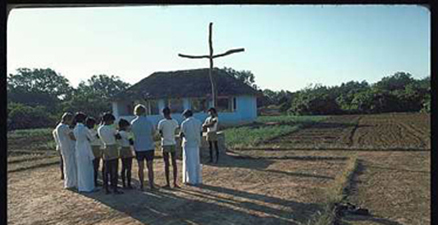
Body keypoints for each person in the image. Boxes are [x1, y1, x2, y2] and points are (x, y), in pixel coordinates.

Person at [130, 104, 156, 191]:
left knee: (140, 167)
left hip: (138, 147)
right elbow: (153, 133)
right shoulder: (149, 122)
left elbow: (132, 135)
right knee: (150, 167)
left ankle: (141, 185)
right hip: (149, 146)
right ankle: (151, 185)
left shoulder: (133, 123)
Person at [98, 113, 123, 194]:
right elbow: (118, 136)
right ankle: (115, 188)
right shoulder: (111, 128)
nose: (112, 122)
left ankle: (106, 188)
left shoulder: (100, 128)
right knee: (114, 169)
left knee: (106, 169)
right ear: (108, 120)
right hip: (112, 147)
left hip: (105, 147)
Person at [73, 112, 96, 192]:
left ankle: (82, 186)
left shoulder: (75, 128)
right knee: (88, 168)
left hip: (78, 148)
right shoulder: (84, 128)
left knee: (80, 168)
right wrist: (95, 135)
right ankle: (89, 186)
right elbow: (91, 138)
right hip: (85, 148)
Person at [157, 107, 180, 189]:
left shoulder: (161, 122)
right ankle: (175, 182)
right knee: (174, 163)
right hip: (173, 143)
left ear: (163, 113)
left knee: (166, 164)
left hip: (165, 143)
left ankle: (168, 183)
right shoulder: (175, 122)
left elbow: (160, 133)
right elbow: (176, 132)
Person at [54, 112, 77, 189]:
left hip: (64, 147)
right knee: (70, 165)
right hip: (69, 147)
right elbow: (72, 137)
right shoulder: (64, 127)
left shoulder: (58, 127)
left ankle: (69, 182)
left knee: (66, 165)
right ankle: (71, 182)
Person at [180, 109, 203, 185]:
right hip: (196, 144)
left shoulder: (184, 123)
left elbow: (182, 134)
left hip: (188, 144)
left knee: (188, 162)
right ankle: (197, 179)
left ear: (186, 115)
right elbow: (201, 133)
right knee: (196, 162)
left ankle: (189, 179)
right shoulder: (199, 122)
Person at [86, 117, 104, 187]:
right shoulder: (91, 131)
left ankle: (94, 180)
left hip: (93, 148)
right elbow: (92, 139)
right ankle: (94, 181)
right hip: (94, 148)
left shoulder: (90, 130)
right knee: (95, 166)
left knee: (94, 166)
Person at [118, 119, 134, 189]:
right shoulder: (127, 133)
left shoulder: (118, 133)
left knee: (123, 167)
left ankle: (124, 184)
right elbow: (131, 142)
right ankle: (129, 184)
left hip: (121, 149)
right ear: (125, 126)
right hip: (127, 149)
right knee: (129, 168)